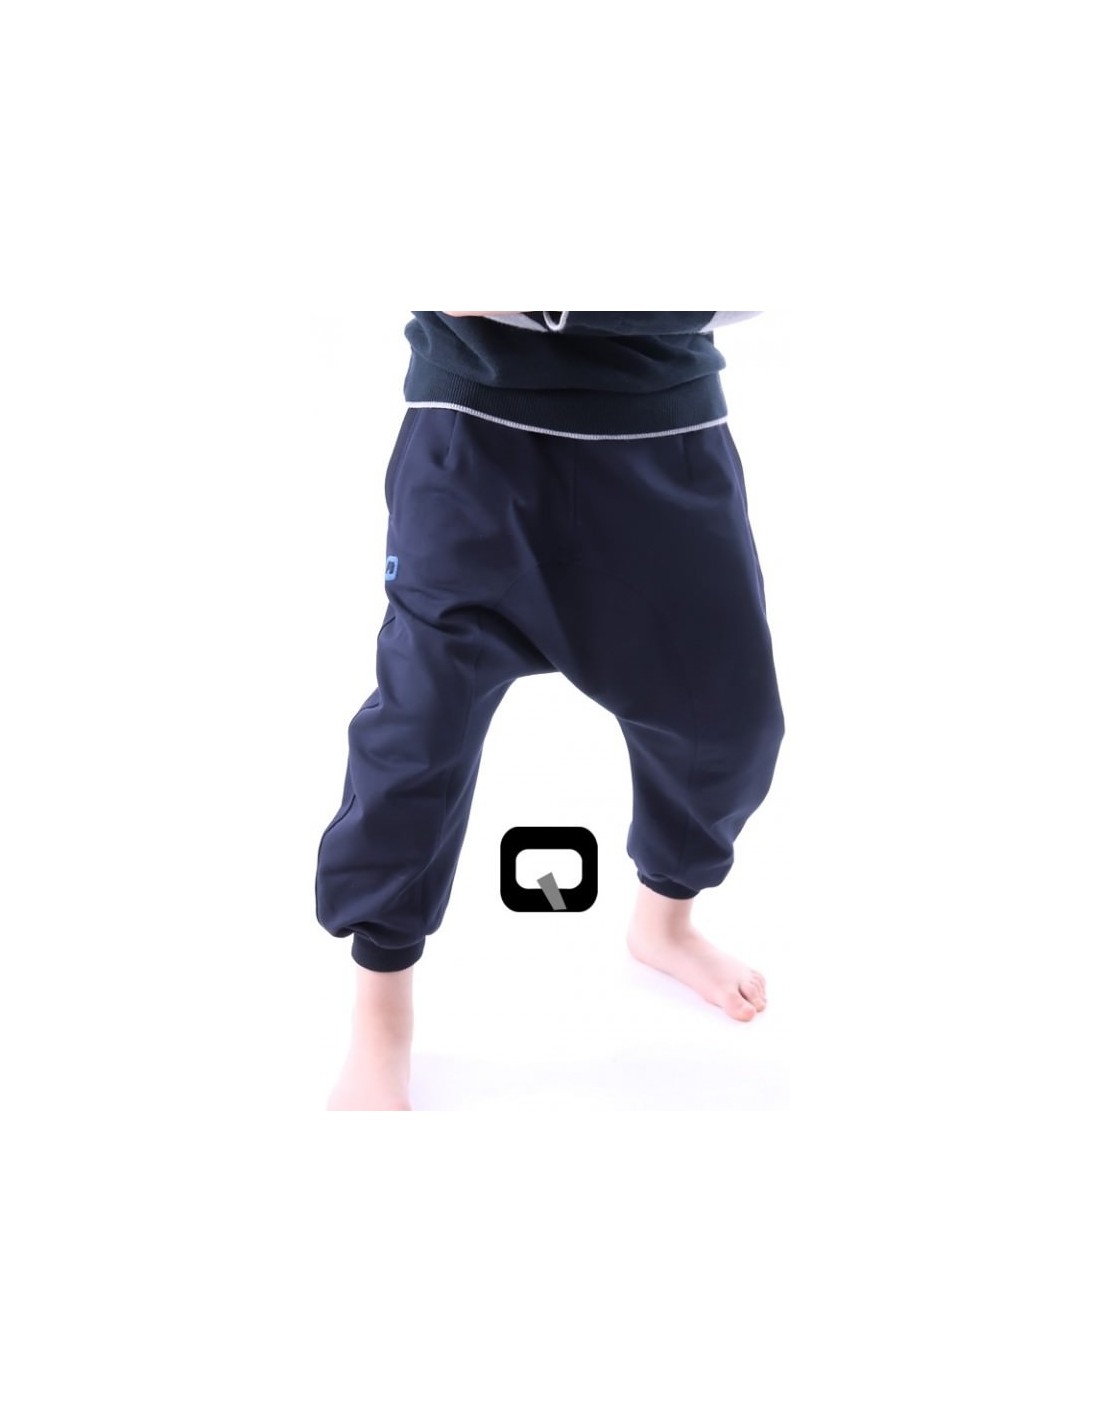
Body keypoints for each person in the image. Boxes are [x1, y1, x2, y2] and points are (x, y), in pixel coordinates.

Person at [316, 312, 785, 1110]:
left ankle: (665, 924)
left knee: (731, 723)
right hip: (474, 439)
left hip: (663, 433)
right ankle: (381, 1013)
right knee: (417, 731)